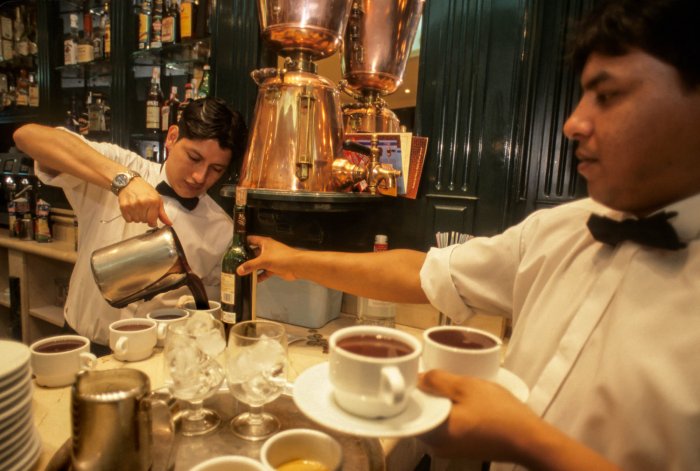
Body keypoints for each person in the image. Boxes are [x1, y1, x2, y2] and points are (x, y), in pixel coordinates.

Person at [236, 0, 700, 469]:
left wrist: (523, 440)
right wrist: (294, 259)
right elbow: (426, 274)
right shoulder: (559, 229)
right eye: (581, 96)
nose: (573, 124)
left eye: (608, 95)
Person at [13, 97, 248, 352]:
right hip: (82, 345)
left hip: (156, 358)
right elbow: (27, 137)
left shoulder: (221, 230)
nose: (199, 176)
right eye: (193, 157)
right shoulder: (123, 167)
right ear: (172, 138)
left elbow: (211, 316)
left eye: (215, 169)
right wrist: (122, 180)